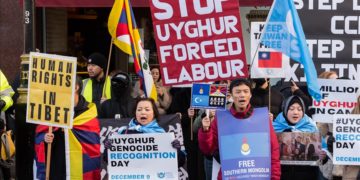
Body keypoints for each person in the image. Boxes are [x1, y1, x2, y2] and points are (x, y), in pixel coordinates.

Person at [198, 79, 281, 180]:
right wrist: (206, 131)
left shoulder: (262, 118)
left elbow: (273, 151)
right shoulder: (221, 119)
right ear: (232, 96)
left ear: (250, 95)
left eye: (245, 91)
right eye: (238, 92)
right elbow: (208, 150)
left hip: (258, 175)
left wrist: (275, 177)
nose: (242, 95)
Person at [35, 76, 101, 180]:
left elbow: (93, 146)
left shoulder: (88, 112)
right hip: (57, 165)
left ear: (75, 87)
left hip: (80, 167)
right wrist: (45, 137)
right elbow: (39, 135)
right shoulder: (52, 110)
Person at [105, 98, 185, 166]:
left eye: (147, 109)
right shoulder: (124, 133)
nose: (143, 112)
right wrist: (108, 150)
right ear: (135, 113)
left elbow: (180, 162)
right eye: (139, 110)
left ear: (154, 113)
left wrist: (176, 151)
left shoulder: (162, 135)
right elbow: (109, 161)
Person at [273, 95, 320, 179]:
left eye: (299, 109)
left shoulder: (311, 127)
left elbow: (320, 157)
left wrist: (323, 156)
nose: (296, 112)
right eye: (291, 109)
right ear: (285, 109)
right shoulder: (275, 127)